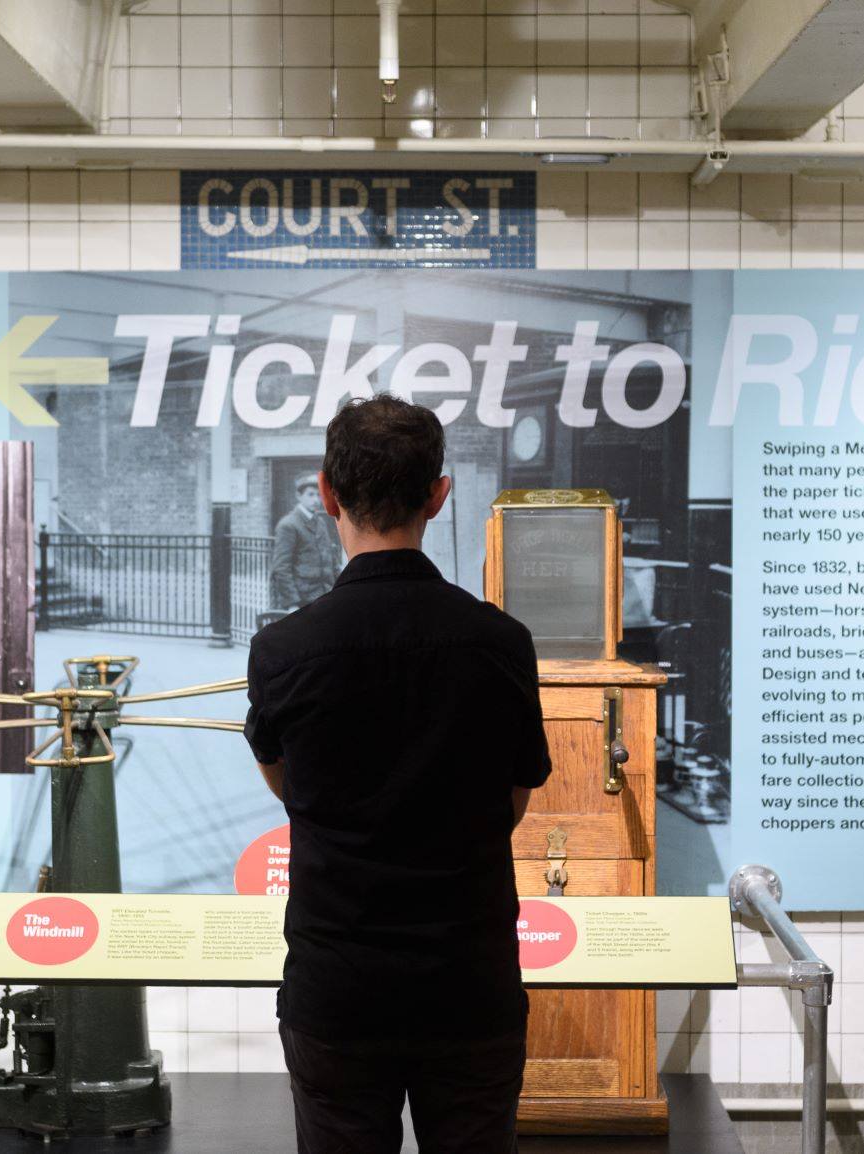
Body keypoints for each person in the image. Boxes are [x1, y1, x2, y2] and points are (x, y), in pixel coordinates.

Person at [244, 396, 552, 1154]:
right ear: (438, 496)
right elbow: (512, 799)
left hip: (336, 988)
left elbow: (289, 788)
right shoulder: (500, 643)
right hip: (468, 983)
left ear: (326, 493)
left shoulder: (283, 650)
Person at [269, 472, 341, 609]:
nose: (316, 500)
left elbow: (331, 560)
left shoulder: (320, 522)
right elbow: (281, 568)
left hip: (324, 595)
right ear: (299, 496)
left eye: (318, 495)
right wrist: (292, 604)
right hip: (301, 600)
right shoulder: (288, 525)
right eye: (310, 494)